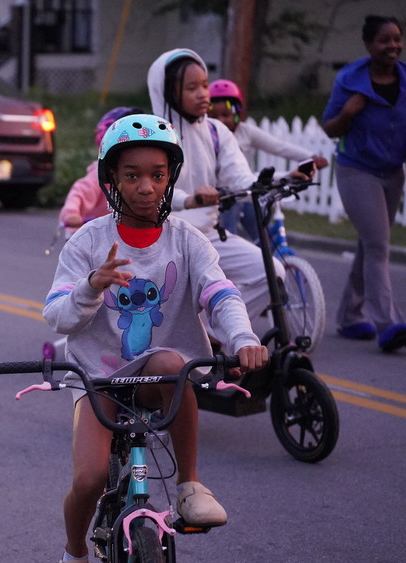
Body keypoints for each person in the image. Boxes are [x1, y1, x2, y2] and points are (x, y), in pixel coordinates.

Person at [43, 113, 268, 563]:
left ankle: (189, 485)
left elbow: (220, 294)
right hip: (98, 380)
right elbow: (55, 313)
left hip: (158, 377)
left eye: (158, 174)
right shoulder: (88, 242)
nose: (145, 187)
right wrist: (91, 288)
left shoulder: (188, 241)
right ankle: (75, 557)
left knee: (174, 362)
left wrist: (244, 338)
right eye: (131, 175)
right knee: (91, 477)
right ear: (112, 181)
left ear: (171, 178)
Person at [148, 48, 310, 324]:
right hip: (162, 239)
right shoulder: (152, 134)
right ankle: (191, 336)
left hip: (208, 236)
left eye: (204, 85)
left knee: (271, 272)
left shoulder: (216, 131)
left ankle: (212, 333)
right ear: (168, 92)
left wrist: (286, 178)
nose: (203, 94)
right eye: (191, 88)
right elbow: (149, 189)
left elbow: (241, 179)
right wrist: (188, 200)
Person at [322, 15, 406, 353]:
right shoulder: (350, 80)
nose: (393, 46)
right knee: (377, 244)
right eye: (385, 40)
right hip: (357, 171)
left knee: (371, 245)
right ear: (369, 45)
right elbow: (329, 127)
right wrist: (347, 114)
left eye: (397, 39)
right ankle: (389, 324)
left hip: (392, 172)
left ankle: (349, 315)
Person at [207, 78, 329, 242]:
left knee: (264, 238)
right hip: (224, 195)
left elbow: (278, 146)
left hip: (247, 188)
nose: (220, 121)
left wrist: (310, 157)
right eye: (214, 116)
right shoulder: (208, 137)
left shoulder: (246, 132)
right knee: (228, 236)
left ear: (237, 114)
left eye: (226, 115)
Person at [58, 106, 143, 236]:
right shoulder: (102, 171)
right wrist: (71, 213)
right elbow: (79, 192)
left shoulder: (144, 174)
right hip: (88, 234)